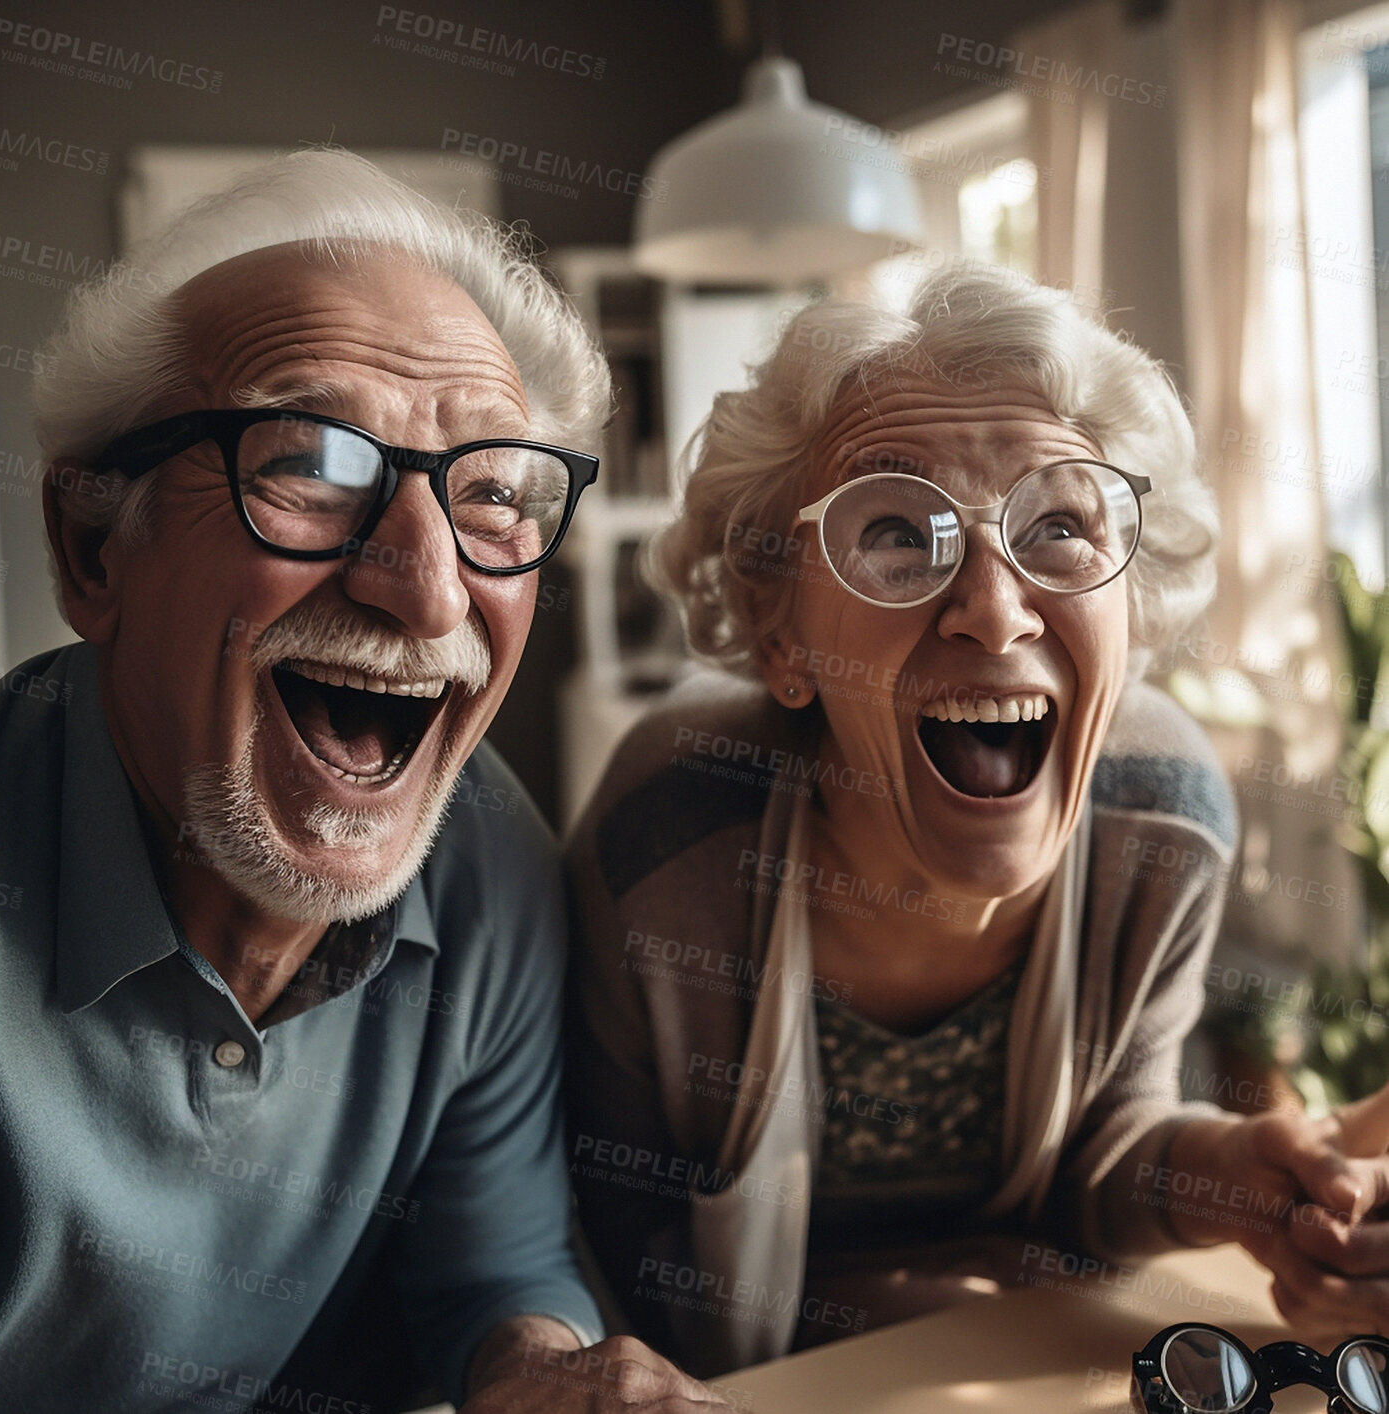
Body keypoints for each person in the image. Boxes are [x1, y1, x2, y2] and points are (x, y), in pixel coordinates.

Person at [0, 149, 733, 1413]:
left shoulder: (487, 850)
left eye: (491, 492)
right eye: (312, 464)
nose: (429, 585)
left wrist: (542, 1374)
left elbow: (489, 1269)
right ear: (92, 546)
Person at [566, 264, 1389, 1377]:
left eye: (1058, 522)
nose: (994, 610)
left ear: (1129, 602)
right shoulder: (673, 826)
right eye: (897, 532)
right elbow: (602, 1234)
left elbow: (1102, 1155)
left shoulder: (1161, 813)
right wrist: (875, 1308)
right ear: (779, 634)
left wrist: (1235, 1174)